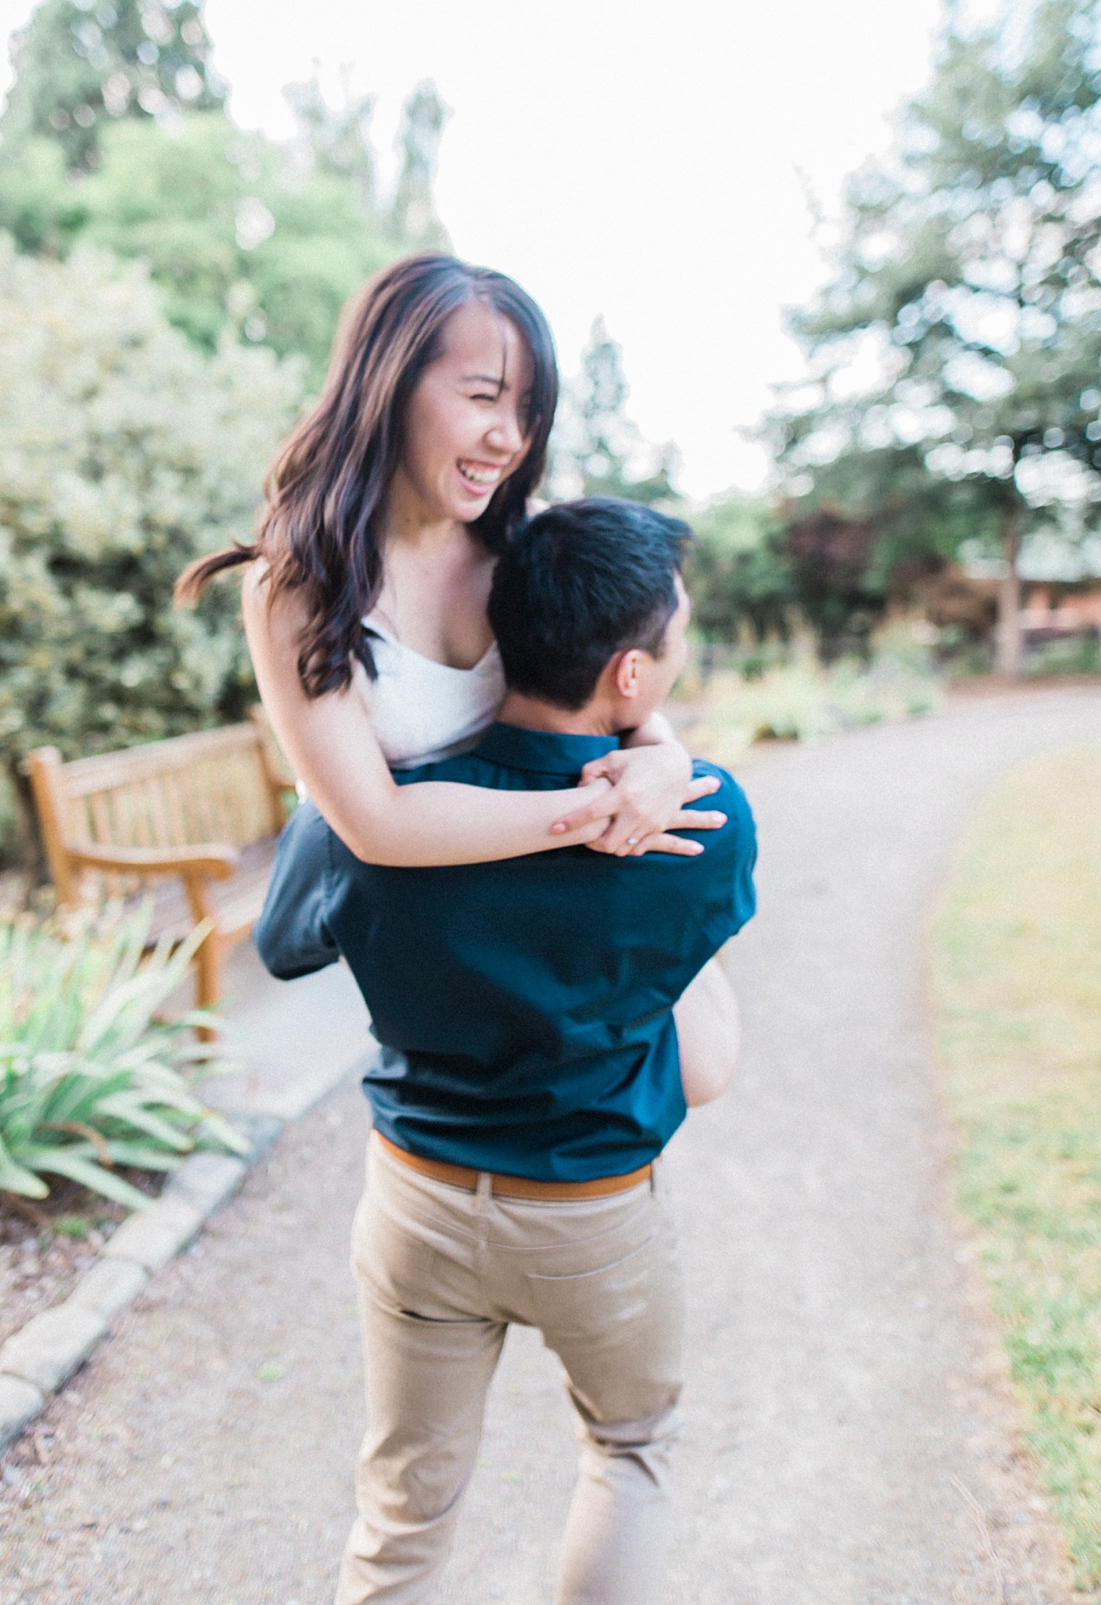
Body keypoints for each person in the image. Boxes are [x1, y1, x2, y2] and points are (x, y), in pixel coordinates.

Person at [257, 496, 757, 1602]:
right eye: (677, 632)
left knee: (402, 1507)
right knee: (629, 1449)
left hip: (416, 1200)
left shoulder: (389, 809)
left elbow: (285, 938)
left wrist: (329, 779)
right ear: (631, 671)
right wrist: (664, 757)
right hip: (591, 1212)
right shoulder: (704, 815)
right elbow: (699, 990)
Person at [180, 252, 737, 1096]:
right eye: (483, 397)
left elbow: (619, 686)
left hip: (547, 884)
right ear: (390, 383)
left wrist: (660, 757)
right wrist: (598, 811)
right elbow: (377, 823)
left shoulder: (529, 538)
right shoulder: (301, 581)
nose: (510, 439)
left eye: (528, 410)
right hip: (432, 912)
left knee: (696, 1062)